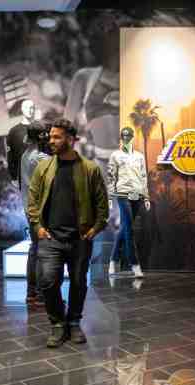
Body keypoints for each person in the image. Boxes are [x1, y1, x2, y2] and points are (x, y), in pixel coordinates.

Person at [27, 118, 108, 348]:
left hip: (80, 238)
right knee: (47, 281)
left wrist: (95, 228)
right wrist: (37, 226)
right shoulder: (43, 167)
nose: (51, 140)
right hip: (50, 238)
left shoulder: (89, 169)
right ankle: (57, 323)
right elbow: (32, 199)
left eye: (56, 137)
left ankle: (73, 322)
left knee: (78, 282)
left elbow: (102, 204)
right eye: (50, 136)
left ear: (71, 139)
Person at [107, 127, 150, 278]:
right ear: (121, 138)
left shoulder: (139, 156)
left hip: (137, 194)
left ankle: (112, 260)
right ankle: (135, 264)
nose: (126, 138)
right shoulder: (115, 155)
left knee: (125, 226)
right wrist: (110, 198)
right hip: (122, 193)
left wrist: (146, 197)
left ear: (132, 137)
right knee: (129, 230)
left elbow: (144, 176)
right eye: (123, 136)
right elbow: (111, 176)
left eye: (128, 136)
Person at [20, 121, 52, 307]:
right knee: (42, 250)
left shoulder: (26, 154)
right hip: (39, 209)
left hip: (30, 208)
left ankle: (32, 292)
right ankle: (40, 294)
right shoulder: (40, 158)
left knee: (35, 249)